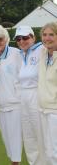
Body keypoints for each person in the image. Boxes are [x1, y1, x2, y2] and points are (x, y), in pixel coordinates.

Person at [0, 25, 22, 165]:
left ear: (6, 39)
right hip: (1, 107)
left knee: (15, 142)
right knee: (7, 141)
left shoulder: (16, 54)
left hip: (16, 106)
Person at [14, 26, 45, 165]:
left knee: (41, 135)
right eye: (19, 39)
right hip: (23, 98)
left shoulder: (42, 49)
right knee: (29, 137)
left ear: (33, 37)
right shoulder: (22, 54)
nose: (22, 41)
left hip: (36, 96)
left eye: (25, 37)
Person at [38, 22, 57, 165]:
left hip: (55, 112)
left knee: (54, 153)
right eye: (44, 35)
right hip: (43, 110)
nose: (47, 38)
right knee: (47, 152)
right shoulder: (43, 52)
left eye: (51, 34)